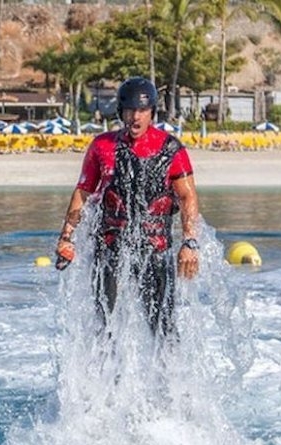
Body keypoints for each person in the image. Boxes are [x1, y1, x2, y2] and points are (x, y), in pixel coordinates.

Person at [55, 76, 200, 337]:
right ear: (121, 112)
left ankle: (170, 378)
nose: (136, 117)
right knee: (104, 325)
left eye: (142, 110)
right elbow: (84, 192)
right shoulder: (102, 146)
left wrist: (189, 242)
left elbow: (188, 197)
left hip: (155, 250)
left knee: (163, 328)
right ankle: (105, 378)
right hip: (110, 248)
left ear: (152, 112)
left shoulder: (171, 149)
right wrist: (67, 237)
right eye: (130, 110)